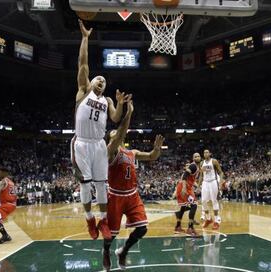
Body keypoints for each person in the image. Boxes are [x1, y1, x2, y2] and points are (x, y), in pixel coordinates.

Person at [71, 19, 131, 240]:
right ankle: (89, 221)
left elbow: (115, 118)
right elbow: (83, 64)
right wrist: (85, 38)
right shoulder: (83, 91)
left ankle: (104, 221)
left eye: (103, 81)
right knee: (85, 185)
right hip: (82, 142)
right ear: (90, 82)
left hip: (99, 144)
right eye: (98, 79)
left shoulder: (106, 100)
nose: (100, 82)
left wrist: (122, 104)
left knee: (101, 185)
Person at [102, 100, 165, 271]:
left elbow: (151, 156)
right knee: (111, 235)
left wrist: (157, 149)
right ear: (109, 139)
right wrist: (128, 113)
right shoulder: (109, 151)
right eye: (114, 134)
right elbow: (120, 134)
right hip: (115, 195)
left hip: (132, 195)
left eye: (118, 133)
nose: (117, 135)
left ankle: (123, 251)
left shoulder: (132, 152)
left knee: (142, 228)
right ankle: (106, 251)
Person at [174, 153, 201, 236]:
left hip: (184, 187)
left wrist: (198, 187)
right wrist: (184, 188)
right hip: (184, 188)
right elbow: (185, 176)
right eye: (195, 156)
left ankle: (178, 226)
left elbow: (190, 179)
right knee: (194, 205)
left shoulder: (196, 167)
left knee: (183, 207)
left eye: (198, 156)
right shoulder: (193, 166)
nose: (197, 157)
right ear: (193, 158)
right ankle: (190, 228)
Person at [199, 149, 224, 230]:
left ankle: (217, 221)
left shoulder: (214, 161)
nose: (205, 153)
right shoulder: (202, 163)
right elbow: (201, 175)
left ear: (210, 153)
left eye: (207, 152)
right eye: (204, 152)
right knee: (203, 201)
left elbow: (221, 172)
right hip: (205, 182)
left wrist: (220, 184)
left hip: (213, 181)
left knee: (214, 201)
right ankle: (208, 219)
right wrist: (198, 185)